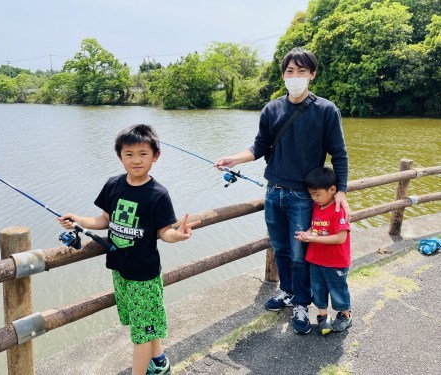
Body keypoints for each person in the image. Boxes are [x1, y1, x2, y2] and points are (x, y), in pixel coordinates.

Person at [215, 47, 349, 334]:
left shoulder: (326, 110)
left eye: (302, 71)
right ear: (283, 75)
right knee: (281, 249)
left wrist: (342, 190)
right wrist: (233, 159)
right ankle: (288, 292)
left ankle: (302, 303)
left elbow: (339, 154)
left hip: (303, 195)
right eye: (290, 71)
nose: (295, 76)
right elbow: (259, 146)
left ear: (312, 74)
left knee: (301, 254)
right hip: (273, 191)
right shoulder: (272, 108)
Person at [58, 124, 200, 375]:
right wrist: (78, 219)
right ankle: (159, 362)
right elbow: (103, 220)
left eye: (143, 154)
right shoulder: (114, 184)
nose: (136, 160)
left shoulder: (158, 194)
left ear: (155, 156)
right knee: (143, 323)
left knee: (141, 335)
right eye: (129, 154)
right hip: (120, 268)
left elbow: (164, 232)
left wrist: (177, 235)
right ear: (120, 156)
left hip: (143, 274)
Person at [294, 167, 352, 335]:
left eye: (317, 194)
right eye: (311, 194)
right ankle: (322, 316)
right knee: (318, 289)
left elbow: (340, 238)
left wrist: (313, 239)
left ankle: (344, 315)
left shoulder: (338, 210)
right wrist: (307, 234)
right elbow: (314, 226)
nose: (314, 198)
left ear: (332, 190)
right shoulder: (316, 207)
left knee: (338, 290)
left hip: (336, 262)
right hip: (316, 259)